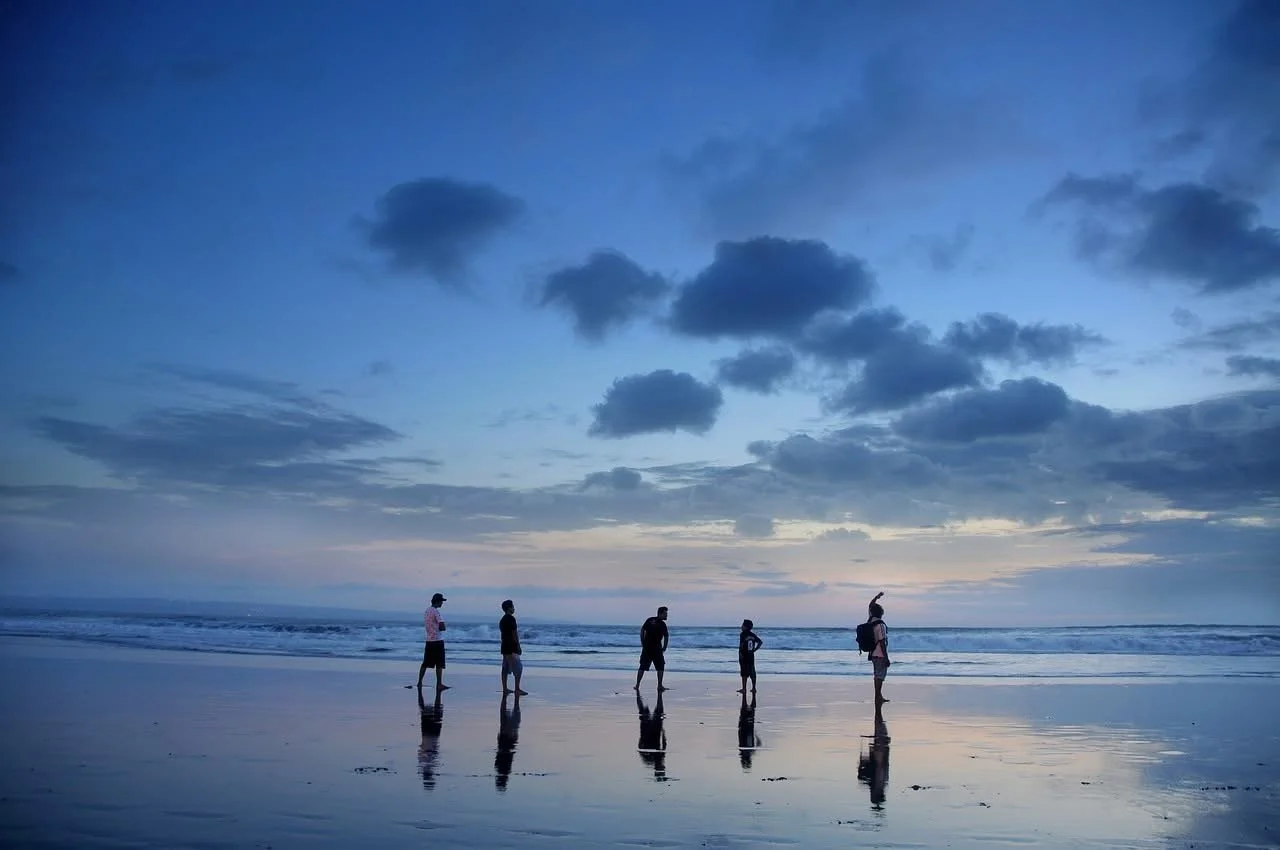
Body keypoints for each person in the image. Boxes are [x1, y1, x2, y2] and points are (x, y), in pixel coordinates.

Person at [857, 701, 891, 810]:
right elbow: (882, 766)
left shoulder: (879, 784)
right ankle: (878, 703)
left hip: (879, 753)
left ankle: (878, 704)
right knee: (880, 725)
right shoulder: (879, 783)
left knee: (880, 725)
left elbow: (883, 766)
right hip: (879, 753)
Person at [416, 592, 449, 691]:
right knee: (439, 663)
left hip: (429, 640)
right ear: (437, 601)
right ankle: (439, 684)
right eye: (441, 601)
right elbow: (442, 626)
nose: (442, 603)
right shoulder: (436, 612)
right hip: (437, 640)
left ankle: (419, 682)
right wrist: (443, 626)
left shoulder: (427, 611)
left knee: (425, 662)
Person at [634, 606, 669, 691]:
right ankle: (659, 686)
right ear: (660, 614)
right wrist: (664, 647)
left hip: (647, 648)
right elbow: (666, 636)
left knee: (642, 666)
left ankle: (637, 685)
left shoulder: (650, 620)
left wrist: (642, 642)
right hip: (657, 648)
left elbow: (642, 630)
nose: (666, 615)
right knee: (660, 667)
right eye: (665, 614)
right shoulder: (662, 624)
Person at [636, 691, 667, 781]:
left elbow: (664, 745)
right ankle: (659, 695)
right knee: (647, 712)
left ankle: (659, 695)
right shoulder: (649, 760)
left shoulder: (651, 759)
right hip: (650, 733)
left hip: (651, 733)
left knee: (646, 712)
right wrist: (663, 732)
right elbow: (664, 745)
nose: (663, 765)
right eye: (663, 767)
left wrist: (663, 732)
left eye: (662, 767)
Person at [417, 686, 444, 791]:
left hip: (429, 737)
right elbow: (430, 751)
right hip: (429, 737)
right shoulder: (426, 763)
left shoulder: (425, 763)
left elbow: (427, 751)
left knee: (431, 715)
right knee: (433, 714)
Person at [494, 691, 521, 791]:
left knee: (509, 719)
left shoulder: (500, 768)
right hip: (505, 740)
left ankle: (512, 700)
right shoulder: (502, 768)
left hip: (505, 740)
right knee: (512, 718)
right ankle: (514, 699)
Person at [499, 599, 527, 695]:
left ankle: (505, 688)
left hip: (504, 646)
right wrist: (518, 646)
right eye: (512, 606)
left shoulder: (502, 620)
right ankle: (517, 689)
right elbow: (514, 633)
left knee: (505, 667)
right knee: (518, 668)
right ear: (509, 608)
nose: (514, 608)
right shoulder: (511, 619)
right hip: (511, 646)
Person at [867, 591, 889, 703]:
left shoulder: (870, 621)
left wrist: (876, 597)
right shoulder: (880, 625)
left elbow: (870, 606)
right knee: (880, 676)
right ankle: (878, 696)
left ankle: (878, 696)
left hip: (872, 653)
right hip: (880, 654)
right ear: (881, 613)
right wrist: (886, 657)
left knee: (877, 675)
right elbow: (882, 642)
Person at [737, 618, 763, 693]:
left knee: (744, 672)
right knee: (752, 671)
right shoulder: (752, 635)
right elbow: (760, 642)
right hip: (751, 655)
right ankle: (754, 688)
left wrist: (740, 653)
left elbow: (741, 645)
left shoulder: (743, 634)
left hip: (744, 655)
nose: (741, 627)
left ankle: (744, 688)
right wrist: (755, 649)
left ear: (746, 626)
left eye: (742, 625)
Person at [736, 691, 760, 771]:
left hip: (744, 731)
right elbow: (758, 743)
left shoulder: (747, 752)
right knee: (748, 718)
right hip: (746, 731)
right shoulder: (749, 752)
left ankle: (746, 701)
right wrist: (756, 736)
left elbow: (758, 744)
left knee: (746, 718)